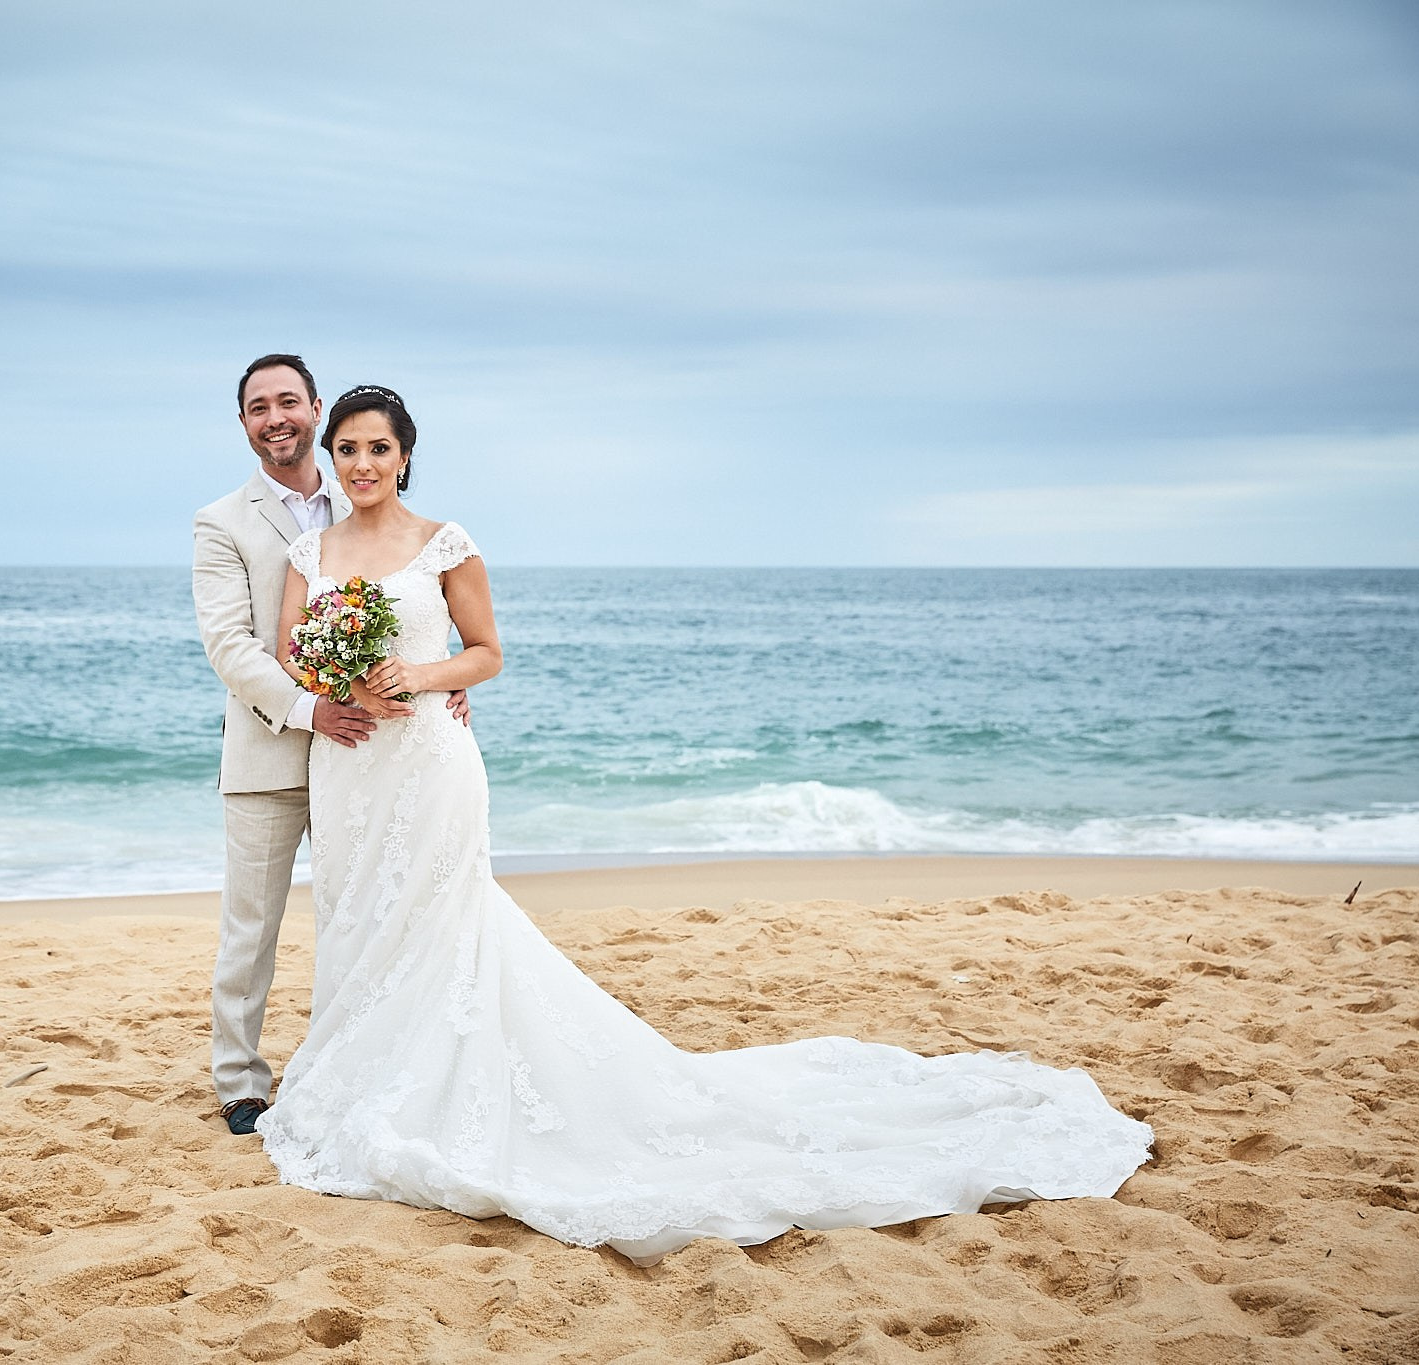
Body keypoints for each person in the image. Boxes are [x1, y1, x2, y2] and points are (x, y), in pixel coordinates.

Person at [257, 383, 1154, 1263]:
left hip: (430, 764)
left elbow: (487, 654)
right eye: (349, 449)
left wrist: (423, 677)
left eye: (379, 447)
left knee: (441, 921)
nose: (363, 462)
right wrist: (336, 681)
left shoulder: (442, 543)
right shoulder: (313, 550)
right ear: (331, 460)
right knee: (358, 912)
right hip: (350, 764)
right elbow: (295, 652)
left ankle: (435, 1088)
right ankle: (362, 1073)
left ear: (405, 454)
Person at [191, 355, 468, 1136]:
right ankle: (241, 1082)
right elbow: (232, 647)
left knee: (363, 917)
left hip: (373, 759)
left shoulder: (360, 490)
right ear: (243, 424)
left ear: (315, 409)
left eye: (288, 402)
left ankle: (367, 1063)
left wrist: (437, 672)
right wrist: (315, 710)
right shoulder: (222, 522)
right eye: (257, 407)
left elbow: (418, 603)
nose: (275, 417)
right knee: (252, 928)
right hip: (274, 751)